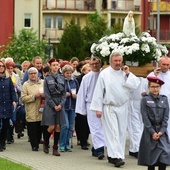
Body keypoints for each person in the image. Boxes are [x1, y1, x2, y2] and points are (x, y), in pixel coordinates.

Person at [90, 52, 140, 167]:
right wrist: (98, 108)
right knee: (113, 132)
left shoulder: (124, 72)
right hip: (110, 107)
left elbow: (135, 85)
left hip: (123, 107)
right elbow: (98, 91)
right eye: (115, 61)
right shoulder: (105, 74)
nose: (118, 63)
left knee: (122, 132)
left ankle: (115, 156)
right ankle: (116, 157)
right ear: (111, 61)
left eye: (119, 61)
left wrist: (128, 73)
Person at [75, 56, 105, 160]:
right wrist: (81, 109)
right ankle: (100, 149)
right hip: (91, 104)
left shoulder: (104, 75)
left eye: (97, 63)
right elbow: (82, 93)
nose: (95, 65)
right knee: (95, 127)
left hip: (104, 104)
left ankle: (96, 148)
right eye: (93, 64)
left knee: (103, 128)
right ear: (90, 65)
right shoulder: (87, 77)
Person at [138, 76, 170, 170]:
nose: (155, 89)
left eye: (157, 86)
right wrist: (153, 132)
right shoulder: (145, 99)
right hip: (150, 132)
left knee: (164, 155)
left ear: (160, 87)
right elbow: (145, 118)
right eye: (152, 86)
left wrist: (161, 131)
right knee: (151, 159)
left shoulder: (164, 99)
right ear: (149, 87)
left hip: (161, 132)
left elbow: (166, 117)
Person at [41, 58, 66, 156]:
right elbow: (47, 95)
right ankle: (46, 142)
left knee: (58, 127)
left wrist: (61, 104)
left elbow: (64, 93)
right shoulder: (47, 79)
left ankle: (55, 148)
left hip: (60, 102)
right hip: (51, 104)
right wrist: (54, 105)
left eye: (57, 65)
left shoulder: (62, 78)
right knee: (51, 126)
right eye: (54, 65)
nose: (56, 66)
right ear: (50, 66)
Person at [21, 67, 44, 151]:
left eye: (35, 73)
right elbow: (23, 98)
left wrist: (43, 95)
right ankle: (34, 145)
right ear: (28, 75)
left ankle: (38, 142)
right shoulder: (26, 85)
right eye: (31, 73)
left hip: (41, 109)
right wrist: (34, 96)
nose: (33, 75)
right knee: (32, 129)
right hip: (31, 109)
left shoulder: (42, 82)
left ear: (37, 74)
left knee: (39, 128)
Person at [148, 56, 170, 139]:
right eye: (163, 64)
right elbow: (145, 88)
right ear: (159, 64)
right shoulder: (153, 74)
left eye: (168, 65)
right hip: (154, 105)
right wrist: (154, 75)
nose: (165, 66)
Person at [59, 65, 79, 152]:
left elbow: (79, 91)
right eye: (67, 73)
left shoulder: (74, 80)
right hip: (64, 106)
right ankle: (62, 144)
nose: (69, 74)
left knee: (70, 127)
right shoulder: (60, 81)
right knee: (65, 126)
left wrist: (76, 95)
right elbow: (57, 93)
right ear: (63, 73)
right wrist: (64, 94)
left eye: (70, 73)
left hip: (72, 106)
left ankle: (67, 144)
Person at [128, 76, 148, 158]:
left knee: (141, 126)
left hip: (142, 101)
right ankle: (136, 148)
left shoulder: (146, 77)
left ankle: (134, 148)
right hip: (132, 101)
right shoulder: (129, 75)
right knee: (134, 126)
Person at [0, 60, 17, 151]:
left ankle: (3, 141)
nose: (1, 67)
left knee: (6, 125)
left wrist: (14, 100)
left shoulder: (7, 78)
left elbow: (12, 91)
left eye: (3, 66)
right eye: (0, 66)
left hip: (6, 104)